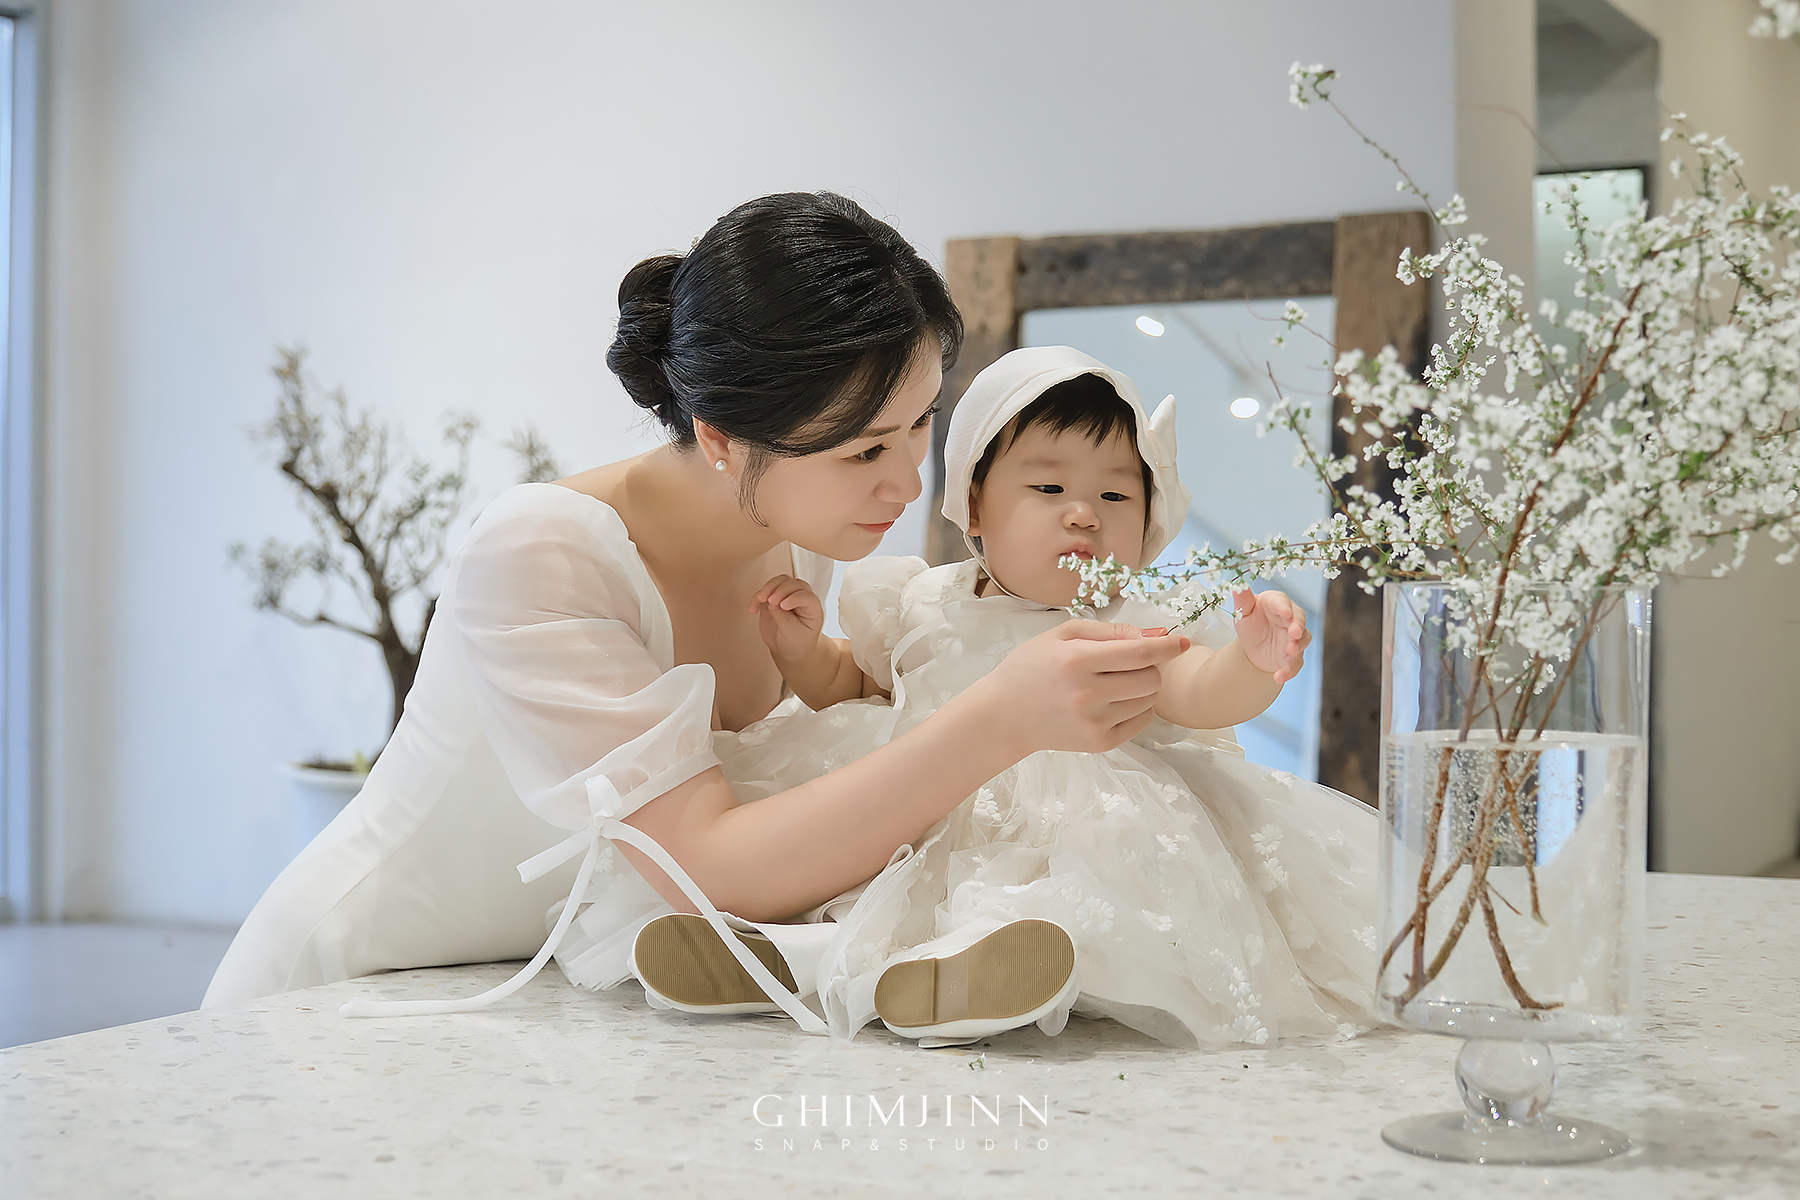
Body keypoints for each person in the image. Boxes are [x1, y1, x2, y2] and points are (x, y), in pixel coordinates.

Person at [203, 195, 1189, 1027]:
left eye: (918, 425)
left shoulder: (802, 536)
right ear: (719, 438)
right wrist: (1002, 716)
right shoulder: (541, 554)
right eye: (862, 449)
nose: (904, 483)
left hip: (556, 995)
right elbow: (711, 863)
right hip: (363, 990)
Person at [645, 346, 1380, 1048]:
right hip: (915, 799)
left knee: (1049, 891)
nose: (1084, 514)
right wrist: (804, 654)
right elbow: (859, 686)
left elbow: (1196, 691)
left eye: (1115, 495)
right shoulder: (923, 600)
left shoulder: (1132, 623)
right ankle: (785, 956)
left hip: (1071, 821)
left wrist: (1251, 662)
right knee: (852, 869)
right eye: (1049, 490)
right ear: (974, 507)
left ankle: (984, 966)